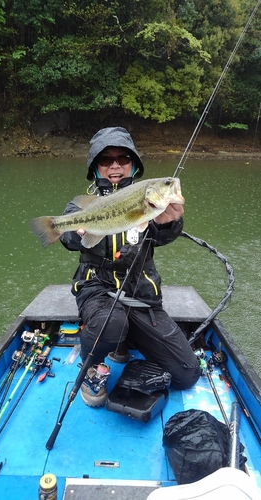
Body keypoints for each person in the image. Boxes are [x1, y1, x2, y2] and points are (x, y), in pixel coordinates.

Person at [60, 127, 200, 407]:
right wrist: (74, 233)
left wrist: (169, 221)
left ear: (134, 165)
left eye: (123, 158)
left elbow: (164, 235)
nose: (115, 165)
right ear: (95, 168)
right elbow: (67, 239)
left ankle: (124, 341)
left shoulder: (150, 203)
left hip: (140, 295)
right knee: (109, 323)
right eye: (105, 160)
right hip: (96, 289)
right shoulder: (80, 206)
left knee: (187, 373)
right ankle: (93, 364)